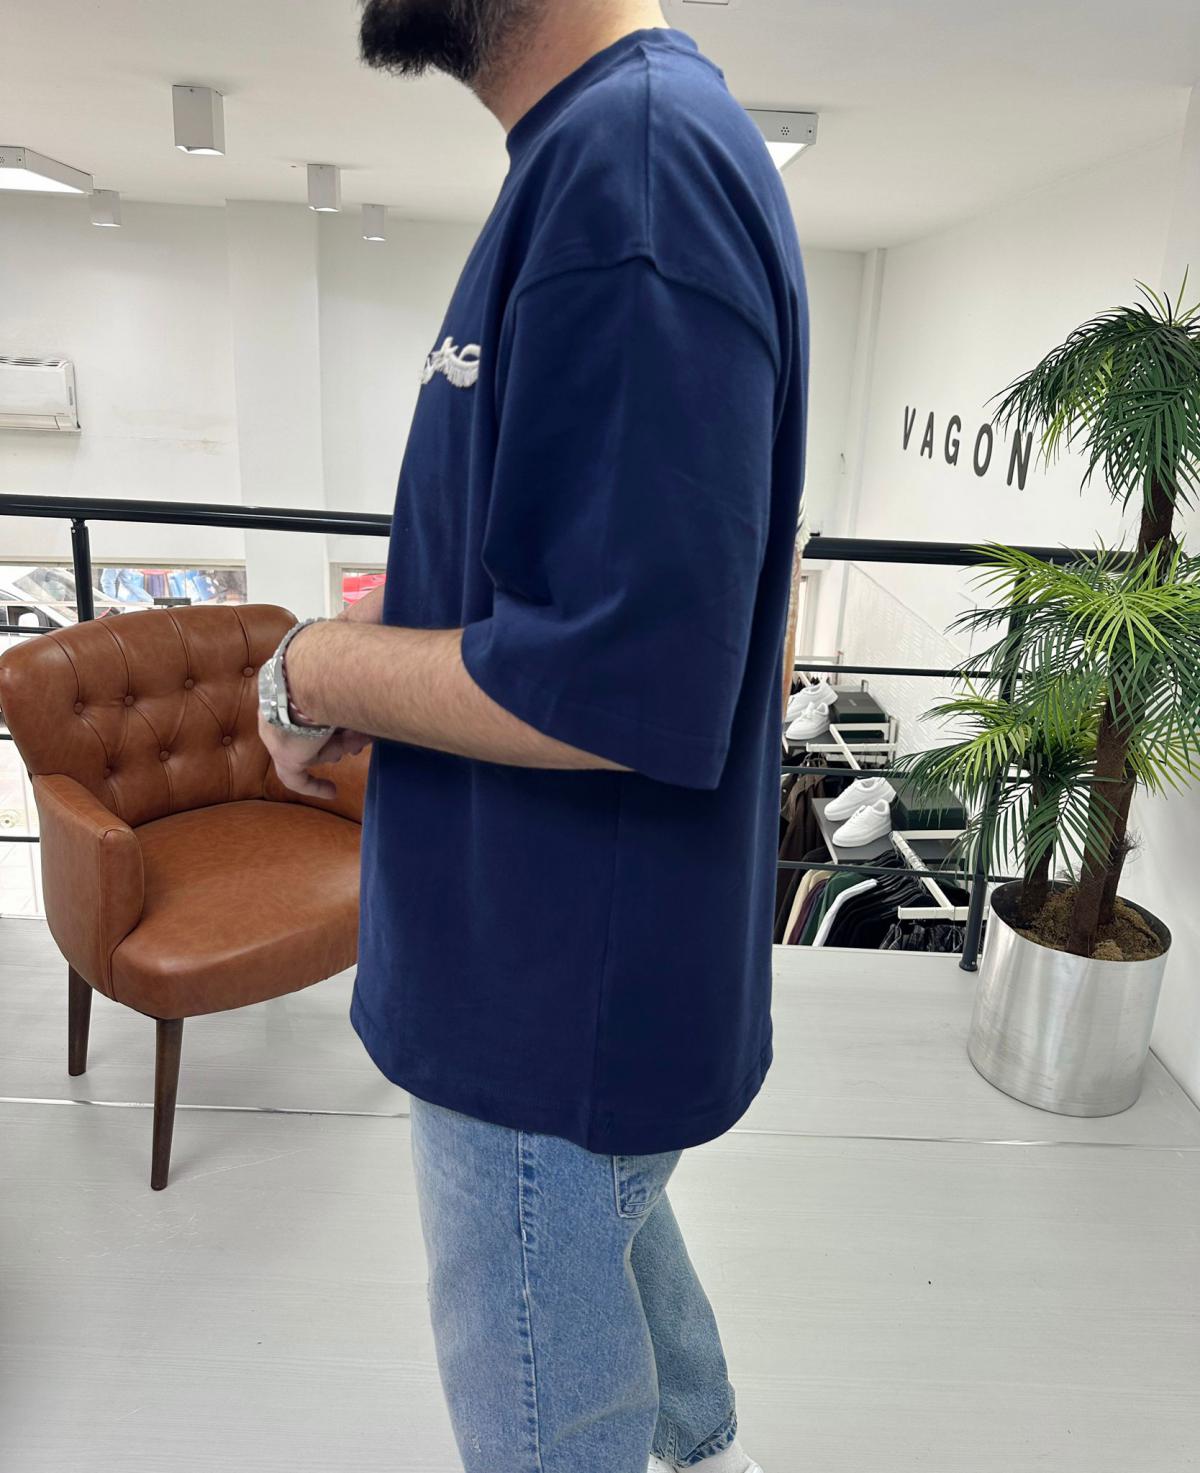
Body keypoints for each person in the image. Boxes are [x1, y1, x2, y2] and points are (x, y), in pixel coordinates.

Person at [258, 2, 807, 1469]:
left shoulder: (634, 170)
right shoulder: (604, 154)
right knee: (612, 1245)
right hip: (553, 971)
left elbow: (615, 680)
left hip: (546, 987)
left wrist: (313, 666)